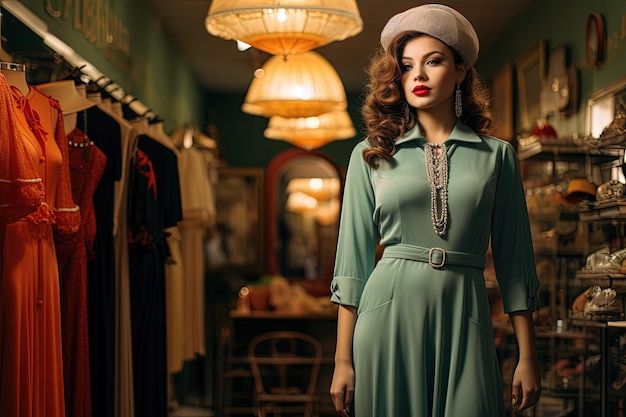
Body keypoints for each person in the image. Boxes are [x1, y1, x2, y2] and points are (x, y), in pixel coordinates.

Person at [329, 4, 541, 417]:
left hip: (465, 313)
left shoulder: (498, 157)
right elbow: (351, 265)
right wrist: (342, 360)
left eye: (434, 61)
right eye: (407, 66)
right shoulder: (370, 156)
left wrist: (527, 356)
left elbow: (517, 263)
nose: (419, 76)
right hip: (385, 316)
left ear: (461, 71)